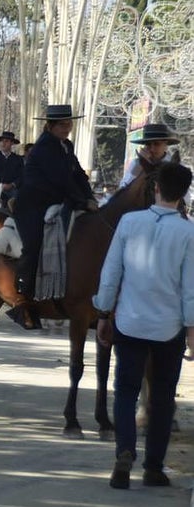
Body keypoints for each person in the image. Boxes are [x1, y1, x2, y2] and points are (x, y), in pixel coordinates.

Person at [93, 161, 194, 489]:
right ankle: (153, 466)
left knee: (125, 390)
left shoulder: (128, 222)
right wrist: (192, 330)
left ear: (156, 188)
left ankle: (124, 452)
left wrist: (103, 314)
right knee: (163, 396)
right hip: (169, 327)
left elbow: (110, 274)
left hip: (130, 321)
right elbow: (191, 288)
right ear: (183, 194)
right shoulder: (189, 232)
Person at [9, 103, 98, 330]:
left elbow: (77, 175)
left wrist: (90, 198)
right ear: (50, 126)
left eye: (68, 124)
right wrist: (81, 201)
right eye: (62, 124)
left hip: (59, 201)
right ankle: (23, 298)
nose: (66, 128)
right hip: (34, 205)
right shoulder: (44, 148)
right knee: (34, 243)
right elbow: (61, 180)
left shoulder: (66, 145)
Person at [119, 122, 178, 189]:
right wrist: (138, 166)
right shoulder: (136, 163)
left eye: (157, 144)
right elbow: (123, 188)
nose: (152, 149)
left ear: (165, 145)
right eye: (148, 144)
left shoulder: (175, 165)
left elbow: (185, 196)